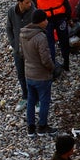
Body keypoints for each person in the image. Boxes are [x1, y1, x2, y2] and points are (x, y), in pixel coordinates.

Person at [21, 9, 58, 137]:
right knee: (44, 101)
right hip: (41, 75)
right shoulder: (40, 37)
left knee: (31, 100)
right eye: (45, 19)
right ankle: (42, 126)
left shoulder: (23, 34)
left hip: (28, 73)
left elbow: (22, 53)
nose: (47, 22)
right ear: (41, 21)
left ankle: (31, 128)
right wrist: (53, 68)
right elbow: (45, 59)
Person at [7, 0, 35, 112]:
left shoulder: (33, 11)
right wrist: (13, 43)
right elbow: (8, 28)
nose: (30, 4)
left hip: (31, 50)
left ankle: (36, 99)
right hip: (18, 51)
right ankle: (25, 96)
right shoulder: (11, 11)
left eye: (30, 2)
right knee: (21, 74)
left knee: (33, 75)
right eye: (27, 3)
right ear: (20, 2)